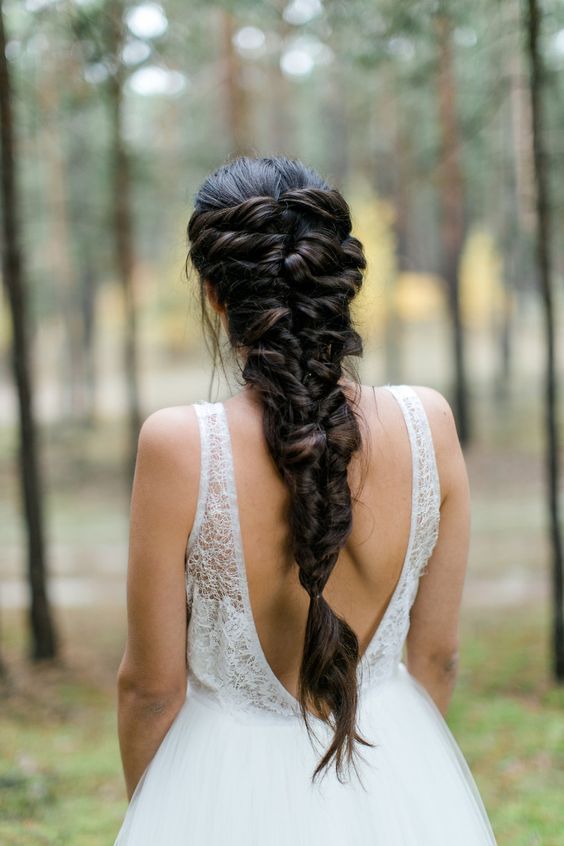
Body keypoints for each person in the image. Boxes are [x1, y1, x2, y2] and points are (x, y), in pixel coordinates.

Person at [113, 156, 497, 844]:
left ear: (214, 296)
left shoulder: (179, 446)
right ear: (341, 285)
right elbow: (437, 656)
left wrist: (159, 811)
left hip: (221, 791)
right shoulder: (428, 423)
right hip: (394, 768)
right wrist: (410, 777)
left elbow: (150, 689)